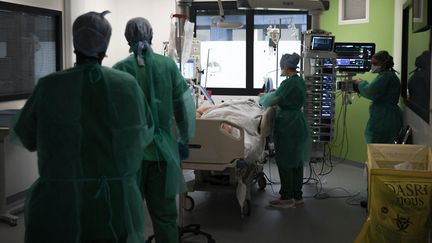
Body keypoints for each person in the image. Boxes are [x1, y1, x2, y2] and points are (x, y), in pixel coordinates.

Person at [11, 11, 154, 243]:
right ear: (105, 45)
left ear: (75, 43)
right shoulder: (126, 86)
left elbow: (26, 137)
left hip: (59, 202)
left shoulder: (49, 86)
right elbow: (143, 135)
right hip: (112, 204)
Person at [113, 17, 195, 243]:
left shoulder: (120, 70)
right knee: (165, 216)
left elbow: (112, 116)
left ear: (127, 38)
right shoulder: (167, 66)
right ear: (151, 36)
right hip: (162, 153)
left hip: (131, 154)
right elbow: (182, 106)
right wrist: (184, 138)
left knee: (126, 215)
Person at [259, 53, 310, 208]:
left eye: (282, 66)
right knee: (296, 161)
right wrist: (275, 92)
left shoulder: (288, 83)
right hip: (298, 122)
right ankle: (297, 195)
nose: (281, 69)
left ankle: (287, 198)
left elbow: (271, 100)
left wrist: (263, 97)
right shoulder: (299, 81)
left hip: (287, 123)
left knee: (286, 161)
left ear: (286, 67)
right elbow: (283, 95)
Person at [354, 50, 402, 143]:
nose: (372, 65)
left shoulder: (387, 76)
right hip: (384, 115)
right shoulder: (385, 75)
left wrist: (360, 83)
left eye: (375, 63)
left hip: (385, 118)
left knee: (378, 146)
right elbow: (375, 90)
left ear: (383, 63)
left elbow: (370, 92)